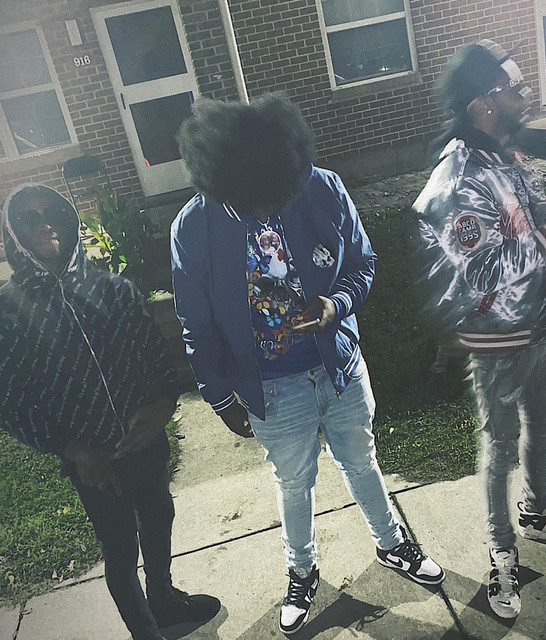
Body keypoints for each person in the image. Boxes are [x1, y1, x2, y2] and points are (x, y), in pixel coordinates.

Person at [172, 94, 445, 635]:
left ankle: (392, 544)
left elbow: (363, 263)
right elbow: (195, 323)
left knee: (361, 461)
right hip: (272, 387)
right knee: (294, 483)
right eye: (254, 201)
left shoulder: (319, 186)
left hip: (338, 364)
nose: (268, 207)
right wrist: (221, 398)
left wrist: (335, 305)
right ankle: (302, 571)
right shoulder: (194, 227)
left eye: (277, 193)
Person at [412, 39, 546, 619]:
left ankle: (537, 514)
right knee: (499, 447)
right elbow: (484, 272)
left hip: (537, 328)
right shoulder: (459, 179)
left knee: (542, 427)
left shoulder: (503, 158)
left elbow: (532, 236)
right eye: (514, 87)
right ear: (483, 104)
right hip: (496, 340)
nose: (525, 95)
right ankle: (501, 552)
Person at [0, 185, 220, 640]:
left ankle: (164, 600)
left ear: (70, 220)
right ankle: (145, 632)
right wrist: (71, 448)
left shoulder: (111, 289)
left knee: (159, 517)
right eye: (28, 218)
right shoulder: (9, 310)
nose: (44, 223)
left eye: (52, 212)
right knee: (120, 549)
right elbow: (12, 399)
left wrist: (164, 404)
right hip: (92, 460)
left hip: (145, 442)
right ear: (13, 236)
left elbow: (154, 354)